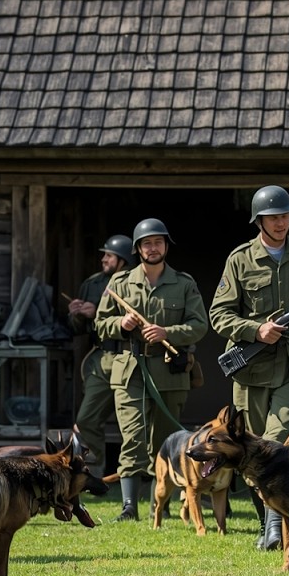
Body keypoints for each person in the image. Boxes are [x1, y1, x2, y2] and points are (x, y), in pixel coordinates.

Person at [208, 185, 289, 549]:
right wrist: (255, 329)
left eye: (285, 216)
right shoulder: (239, 260)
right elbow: (219, 314)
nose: (281, 222)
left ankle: (277, 528)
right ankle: (268, 524)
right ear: (259, 220)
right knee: (248, 450)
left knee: (277, 443)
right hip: (252, 370)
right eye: (273, 217)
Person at [95, 218, 207, 521]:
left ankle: (163, 504)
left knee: (166, 440)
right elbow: (100, 324)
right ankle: (129, 507)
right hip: (130, 370)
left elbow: (200, 325)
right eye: (147, 243)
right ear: (138, 249)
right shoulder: (118, 283)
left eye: (158, 242)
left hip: (170, 372)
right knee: (132, 437)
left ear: (166, 246)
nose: (153, 248)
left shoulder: (184, 284)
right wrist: (121, 324)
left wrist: (167, 332)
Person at [68, 234, 133, 477]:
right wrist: (76, 314)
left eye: (109, 255)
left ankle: (138, 476)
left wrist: (97, 313)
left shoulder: (136, 282)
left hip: (130, 356)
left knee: (133, 422)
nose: (103, 259)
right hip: (101, 357)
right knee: (86, 419)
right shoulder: (92, 283)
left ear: (123, 259)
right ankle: (98, 473)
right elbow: (76, 331)